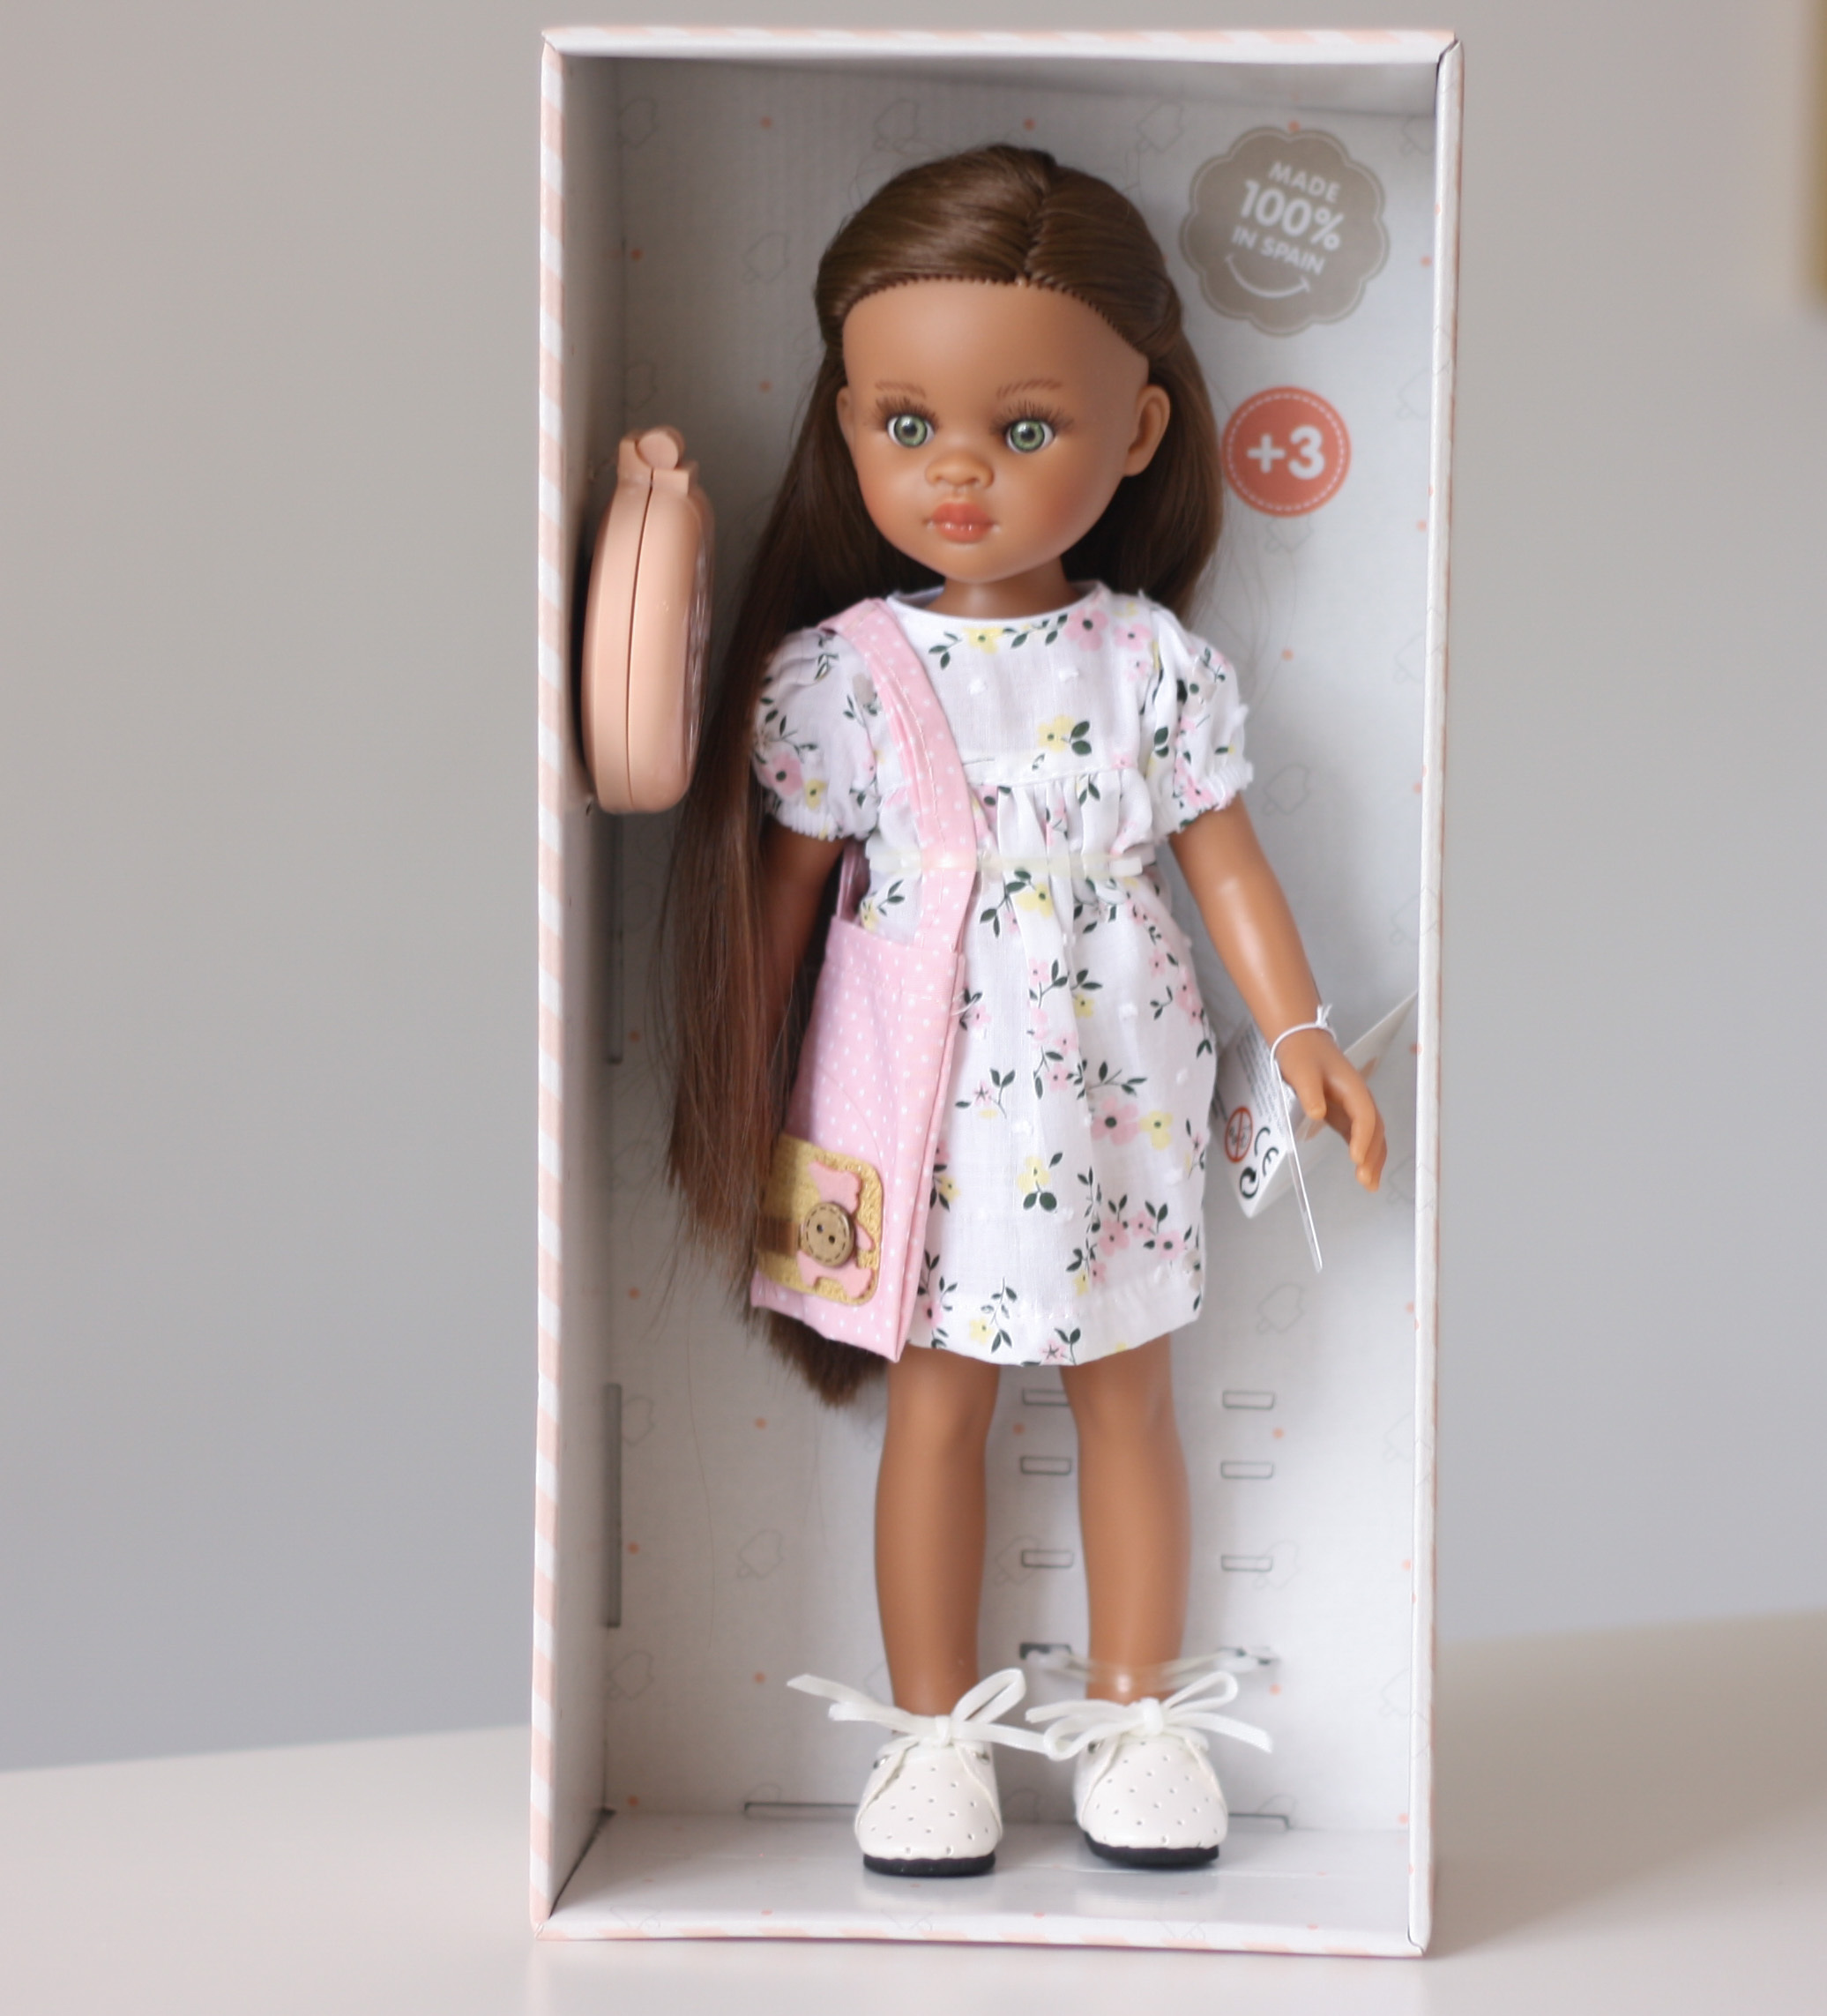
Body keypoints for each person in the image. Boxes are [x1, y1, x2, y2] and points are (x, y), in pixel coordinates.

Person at [660, 145, 1383, 1878]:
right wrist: (747, 1069)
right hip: (914, 1099)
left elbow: (1226, 866)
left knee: (1130, 1391)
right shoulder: (844, 676)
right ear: (847, 423)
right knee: (939, 1402)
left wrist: (1301, 1035)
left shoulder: (1148, 667)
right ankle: (934, 1739)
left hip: (1116, 1084)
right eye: (906, 423)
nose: (959, 469)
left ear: (1138, 434)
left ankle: (1139, 1721)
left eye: (1027, 425)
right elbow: (783, 907)